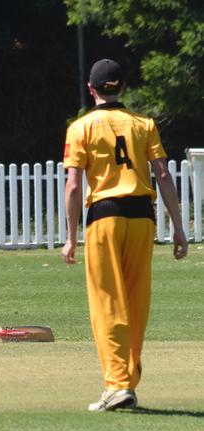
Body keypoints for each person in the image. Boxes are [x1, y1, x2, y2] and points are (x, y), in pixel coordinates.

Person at [62, 59, 188, 412]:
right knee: (136, 302)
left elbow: (73, 186)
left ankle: (116, 385)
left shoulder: (81, 127)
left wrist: (71, 236)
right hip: (142, 217)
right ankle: (127, 380)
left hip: (105, 217)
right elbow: (162, 175)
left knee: (108, 302)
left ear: (92, 89)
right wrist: (178, 228)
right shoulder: (143, 124)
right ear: (123, 88)